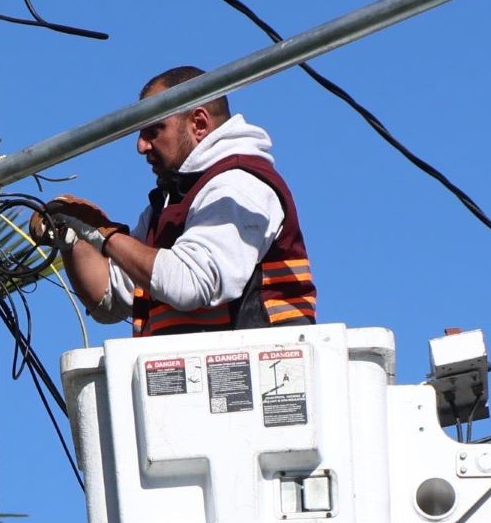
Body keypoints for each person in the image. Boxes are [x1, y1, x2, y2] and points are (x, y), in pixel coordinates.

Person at [36, 66, 316, 337]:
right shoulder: (171, 201)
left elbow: (190, 282)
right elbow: (109, 299)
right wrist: (74, 236)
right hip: (203, 367)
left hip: (266, 367)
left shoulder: (237, 185)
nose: (141, 146)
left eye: (154, 130)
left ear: (199, 124)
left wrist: (105, 235)